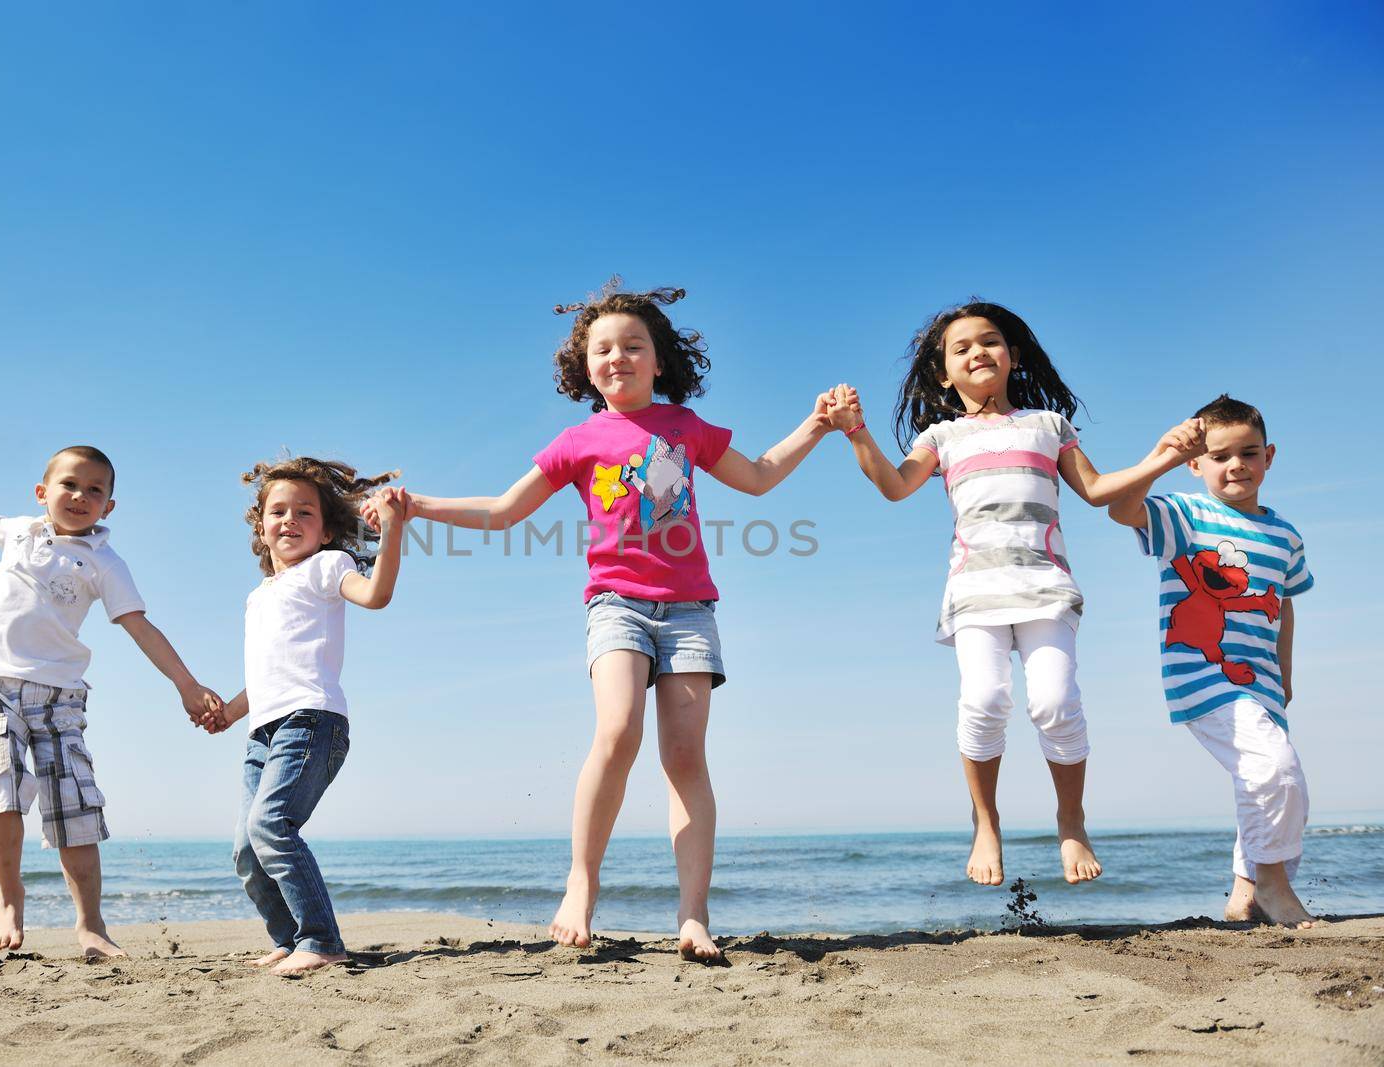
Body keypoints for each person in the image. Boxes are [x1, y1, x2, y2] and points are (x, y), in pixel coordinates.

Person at [367, 280, 834, 960]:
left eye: (632, 346)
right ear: (586, 366)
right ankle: (580, 887)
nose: (617, 357)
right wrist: (421, 505)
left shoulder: (686, 429)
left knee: (683, 756)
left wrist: (816, 425)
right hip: (616, 604)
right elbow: (502, 510)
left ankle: (693, 915)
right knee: (617, 730)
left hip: (689, 611)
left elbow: (759, 475)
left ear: (658, 360)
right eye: (603, 349)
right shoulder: (579, 440)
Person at [824, 301, 1199, 886]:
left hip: (1046, 587)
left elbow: (1098, 491)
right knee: (985, 700)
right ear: (944, 373)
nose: (978, 352)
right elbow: (895, 486)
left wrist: (1162, 459)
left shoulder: (1049, 426)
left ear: (1013, 356)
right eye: (961, 348)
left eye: (990, 341)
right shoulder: (942, 437)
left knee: (1054, 702)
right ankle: (986, 821)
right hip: (975, 591)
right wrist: (856, 433)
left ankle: (1070, 820)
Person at [0, 445, 221, 957]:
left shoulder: (105, 562)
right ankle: (9, 900)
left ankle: (90, 925)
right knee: (2, 779)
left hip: (59, 696)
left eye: (95, 490)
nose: (81, 496)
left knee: (75, 803)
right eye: (70, 485)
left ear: (109, 507)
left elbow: (138, 625)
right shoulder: (18, 532)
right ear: (43, 493)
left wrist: (186, 685)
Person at [1107, 395, 1317, 927]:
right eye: (1220, 455)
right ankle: (1273, 884)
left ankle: (1245, 893)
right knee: (1275, 771)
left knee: (1268, 780)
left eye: (1248, 453)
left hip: (1262, 681)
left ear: (1269, 456)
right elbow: (1121, 509)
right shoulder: (1184, 513)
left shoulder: (1285, 536)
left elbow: (1282, 607)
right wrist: (1164, 455)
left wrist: (1285, 673)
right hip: (1201, 672)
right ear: (1197, 464)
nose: (1236, 465)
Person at [202, 457, 406, 974]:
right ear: (261, 525)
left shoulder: (328, 566)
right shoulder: (258, 596)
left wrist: (396, 530)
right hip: (261, 730)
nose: (289, 520)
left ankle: (323, 940)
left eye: (305, 512)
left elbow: (376, 595)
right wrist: (230, 711)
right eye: (278, 511)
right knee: (247, 849)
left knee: (273, 824)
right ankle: (291, 938)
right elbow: (270, 672)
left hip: (312, 721)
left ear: (328, 528)